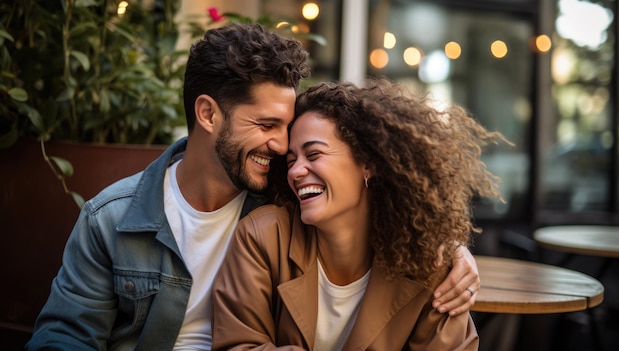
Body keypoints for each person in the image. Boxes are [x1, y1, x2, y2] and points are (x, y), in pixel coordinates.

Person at [26, 23, 477, 350]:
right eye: (266, 125)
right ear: (208, 114)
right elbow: (64, 338)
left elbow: (377, 214)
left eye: (289, 130)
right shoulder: (112, 217)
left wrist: (451, 247)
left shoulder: (285, 204)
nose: (283, 148)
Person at [212, 79, 506, 350]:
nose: (296, 171)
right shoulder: (263, 236)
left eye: (314, 154)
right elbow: (239, 345)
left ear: (368, 163)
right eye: (290, 161)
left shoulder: (429, 260)